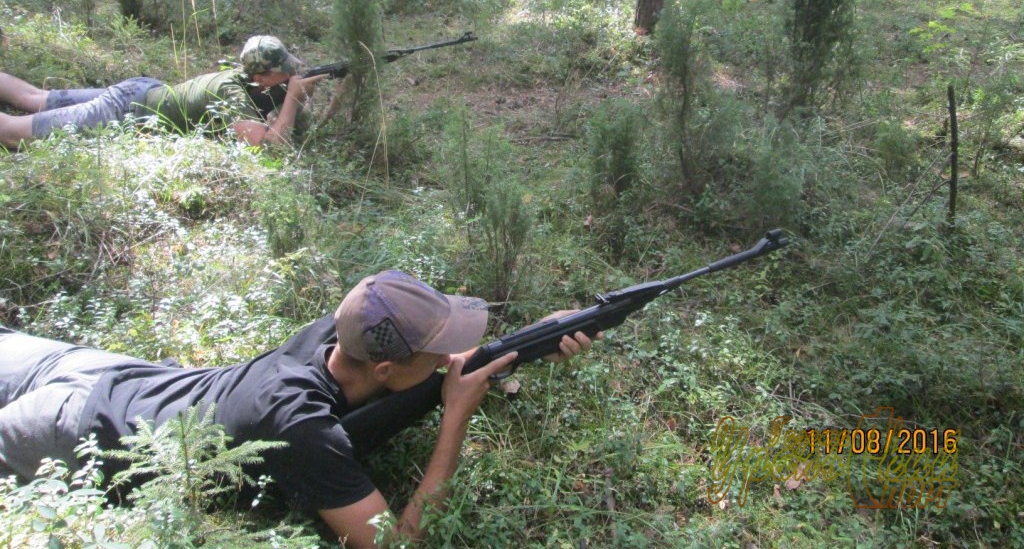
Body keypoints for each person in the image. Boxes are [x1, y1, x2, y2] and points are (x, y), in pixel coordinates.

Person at [0, 270, 597, 547]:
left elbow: (442, 363)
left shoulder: (344, 333)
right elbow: (394, 543)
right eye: (436, 351)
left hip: (106, 372)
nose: (448, 358)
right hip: (67, 430)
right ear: (385, 370)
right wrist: (454, 417)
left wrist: (531, 341)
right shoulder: (301, 428)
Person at [0, 35, 331, 150]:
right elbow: (270, 145)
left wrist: (296, 94)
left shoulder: (251, 80)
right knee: (14, 132)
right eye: (283, 72)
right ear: (261, 75)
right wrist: (292, 98)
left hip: (140, 92)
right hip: (126, 111)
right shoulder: (232, 93)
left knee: (32, 99)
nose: (290, 74)